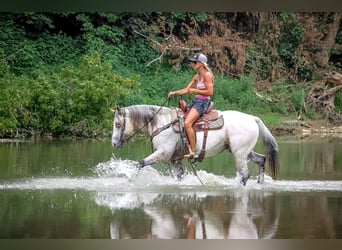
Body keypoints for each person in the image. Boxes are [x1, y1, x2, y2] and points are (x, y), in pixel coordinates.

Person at [168, 53, 214, 158]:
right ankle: (184, 145)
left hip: (203, 103)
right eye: (192, 62)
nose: (193, 64)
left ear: (201, 64)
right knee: (180, 118)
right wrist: (174, 93)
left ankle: (192, 151)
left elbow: (210, 92)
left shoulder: (207, 75)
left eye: (195, 62)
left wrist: (195, 90)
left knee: (187, 123)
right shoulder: (196, 76)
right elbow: (186, 89)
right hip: (196, 101)